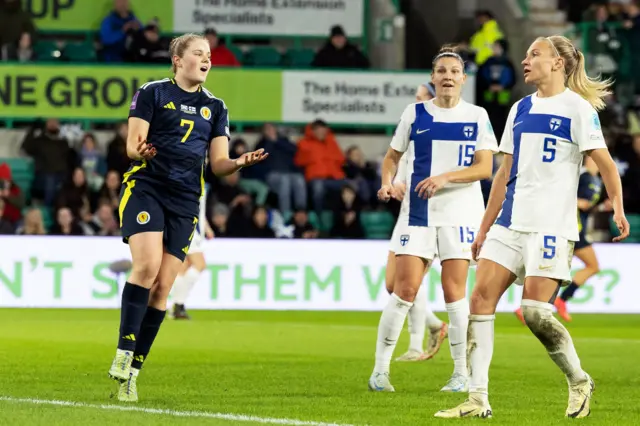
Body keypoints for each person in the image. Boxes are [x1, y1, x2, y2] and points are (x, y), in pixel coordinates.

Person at [435, 35, 629, 420]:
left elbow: (606, 165)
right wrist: (484, 228)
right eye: (525, 55)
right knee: (480, 302)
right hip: (509, 223)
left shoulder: (578, 109)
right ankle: (477, 399)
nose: (525, 61)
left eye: (534, 54)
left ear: (558, 63)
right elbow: (503, 173)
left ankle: (578, 381)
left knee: (536, 313)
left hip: (551, 227)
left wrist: (618, 210)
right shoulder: (520, 108)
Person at [108, 32, 267, 403]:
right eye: (198, 53)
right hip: (146, 186)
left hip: (185, 201)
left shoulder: (216, 106)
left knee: (163, 287)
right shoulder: (153, 93)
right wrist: (141, 151)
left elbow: (219, 164)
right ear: (178, 60)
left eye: (208, 54)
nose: (206, 59)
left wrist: (239, 163)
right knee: (145, 267)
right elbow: (133, 145)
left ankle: (132, 374)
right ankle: (123, 350)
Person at [369, 46, 498, 393]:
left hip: (461, 215)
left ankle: (460, 373)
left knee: (455, 294)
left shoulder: (477, 115)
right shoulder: (414, 114)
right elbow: (392, 157)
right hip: (418, 215)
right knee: (403, 290)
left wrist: (445, 178)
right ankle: (380, 372)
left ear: (463, 79)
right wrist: (386, 183)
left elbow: (485, 168)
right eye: (441, 71)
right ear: (433, 77)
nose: (447, 77)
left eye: (454, 72)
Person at [387, 83, 449, 364]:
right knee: (393, 284)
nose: (416, 102)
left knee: (411, 280)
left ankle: (415, 345)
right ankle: (435, 324)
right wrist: (394, 183)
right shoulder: (412, 126)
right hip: (406, 211)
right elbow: (399, 162)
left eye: (421, 97)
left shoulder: (441, 130)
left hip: (428, 213)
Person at [515, 155, 603, 324]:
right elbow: (577, 200)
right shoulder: (583, 176)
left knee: (558, 269)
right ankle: (558, 300)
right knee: (590, 266)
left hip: (576, 229)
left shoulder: (594, 179)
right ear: (588, 159)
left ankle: (537, 304)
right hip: (572, 229)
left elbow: (587, 204)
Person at [169, 183, 214, 320]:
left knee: (183, 268)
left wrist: (206, 227)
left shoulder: (199, 181)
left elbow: (199, 209)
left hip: (194, 229)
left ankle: (176, 307)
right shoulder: (187, 179)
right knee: (200, 265)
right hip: (189, 228)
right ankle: (178, 304)